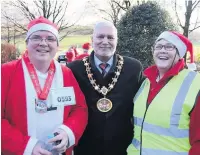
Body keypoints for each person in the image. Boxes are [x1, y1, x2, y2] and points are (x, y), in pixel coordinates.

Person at [1, 16, 88, 155]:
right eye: (36, 38)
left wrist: (68, 132)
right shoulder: (6, 73)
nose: (43, 43)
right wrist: (28, 147)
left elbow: (79, 109)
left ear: (57, 45)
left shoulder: (66, 73)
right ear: (27, 43)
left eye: (50, 39)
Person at [67, 21, 144, 155]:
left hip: (122, 147)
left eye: (110, 37)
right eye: (100, 37)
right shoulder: (74, 69)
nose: (105, 41)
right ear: (92, 40)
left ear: (117, 40)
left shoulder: (134, 68)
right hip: (85, 147)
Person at [127, 31, 200, 155]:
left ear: (179, 53)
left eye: (169, 47)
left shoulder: (195, 84)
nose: (163, 50)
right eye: (159, 46)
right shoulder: (145, 82)